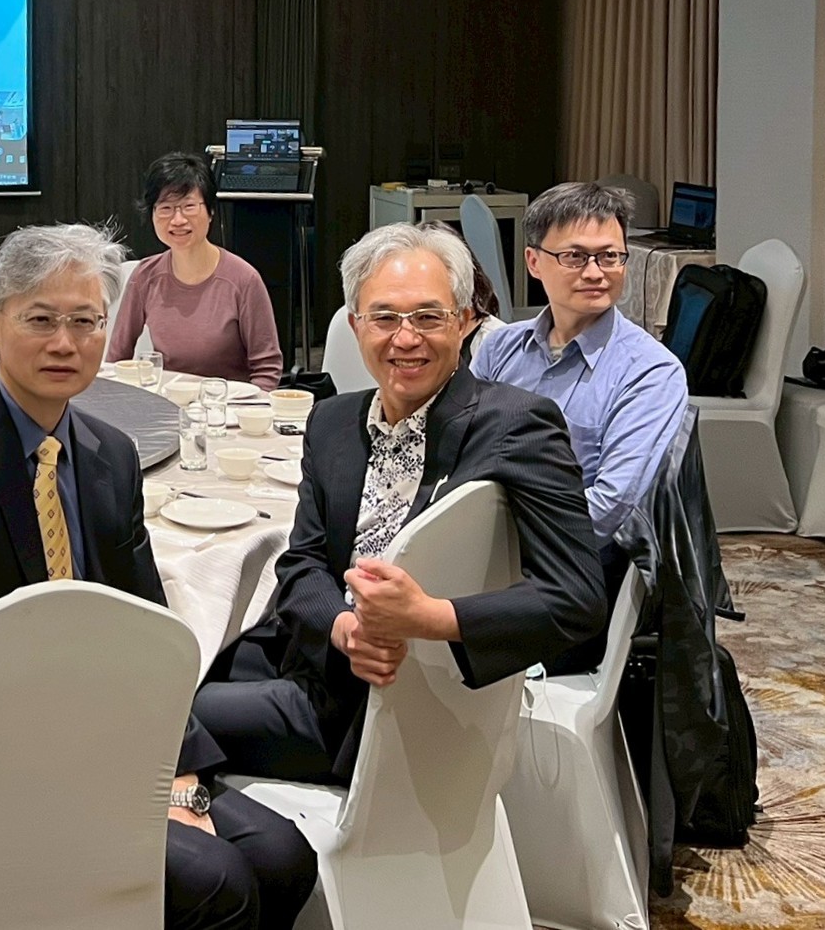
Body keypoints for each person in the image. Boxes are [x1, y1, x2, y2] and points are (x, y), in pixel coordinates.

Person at [0, 222, 316, 930]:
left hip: (112, 752)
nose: (64, 343)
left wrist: (178, 776)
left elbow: (149, 639)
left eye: (85, 321)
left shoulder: (109, 456)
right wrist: (59, 763)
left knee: (283, 857)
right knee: (215, 882)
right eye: (40, 320)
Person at [190, 222, 608, 787]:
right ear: (355, 325)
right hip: (318, 649)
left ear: (465, 322)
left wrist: (430, 618)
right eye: (384, 318)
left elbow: (578, 597)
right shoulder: (333, 420)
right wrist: (343, 628)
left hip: (382, 702)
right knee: (168, 667)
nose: (405, 339)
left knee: (162, 716)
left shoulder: (516, 425)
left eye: (429, 317)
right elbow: (302, 561)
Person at [472, 180, 689, 543]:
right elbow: (462, 448)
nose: (595, 273)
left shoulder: (650, 372)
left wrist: (498, 536)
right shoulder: (500, 347)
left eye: (609, 256)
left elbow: (607, 509)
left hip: (565, 554)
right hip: (478, 534)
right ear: (534, 262)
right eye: (574, 256)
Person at [108, 153, 283, 390]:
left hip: (225, 405)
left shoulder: (244, 280)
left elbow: (267, 368)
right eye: (166, 208)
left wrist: (248, 408)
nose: (178, 220)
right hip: (167, 402)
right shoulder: (144, 277)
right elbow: (117, 360)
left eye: (189, 206)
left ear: (210, 212)